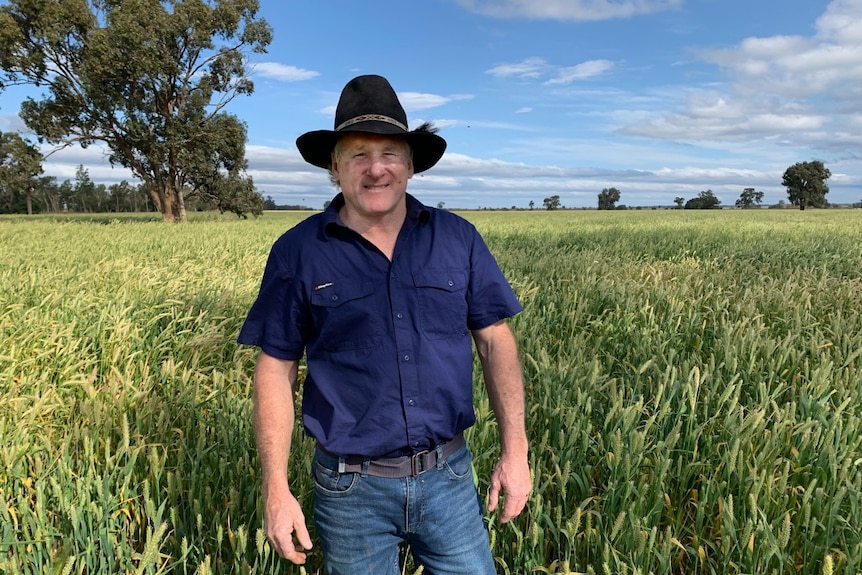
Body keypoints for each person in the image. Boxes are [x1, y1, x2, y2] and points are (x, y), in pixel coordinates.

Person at [237, 74, 531, 574]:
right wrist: (276, 489)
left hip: (450, 480)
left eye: (390, 153)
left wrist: (515, 452)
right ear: (334, 167)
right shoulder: (298, 251)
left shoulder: (457, 238)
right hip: (350, 491)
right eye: (358, 154)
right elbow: (276, 368)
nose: (376, 169)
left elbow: (494, 342)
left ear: (411, 164)